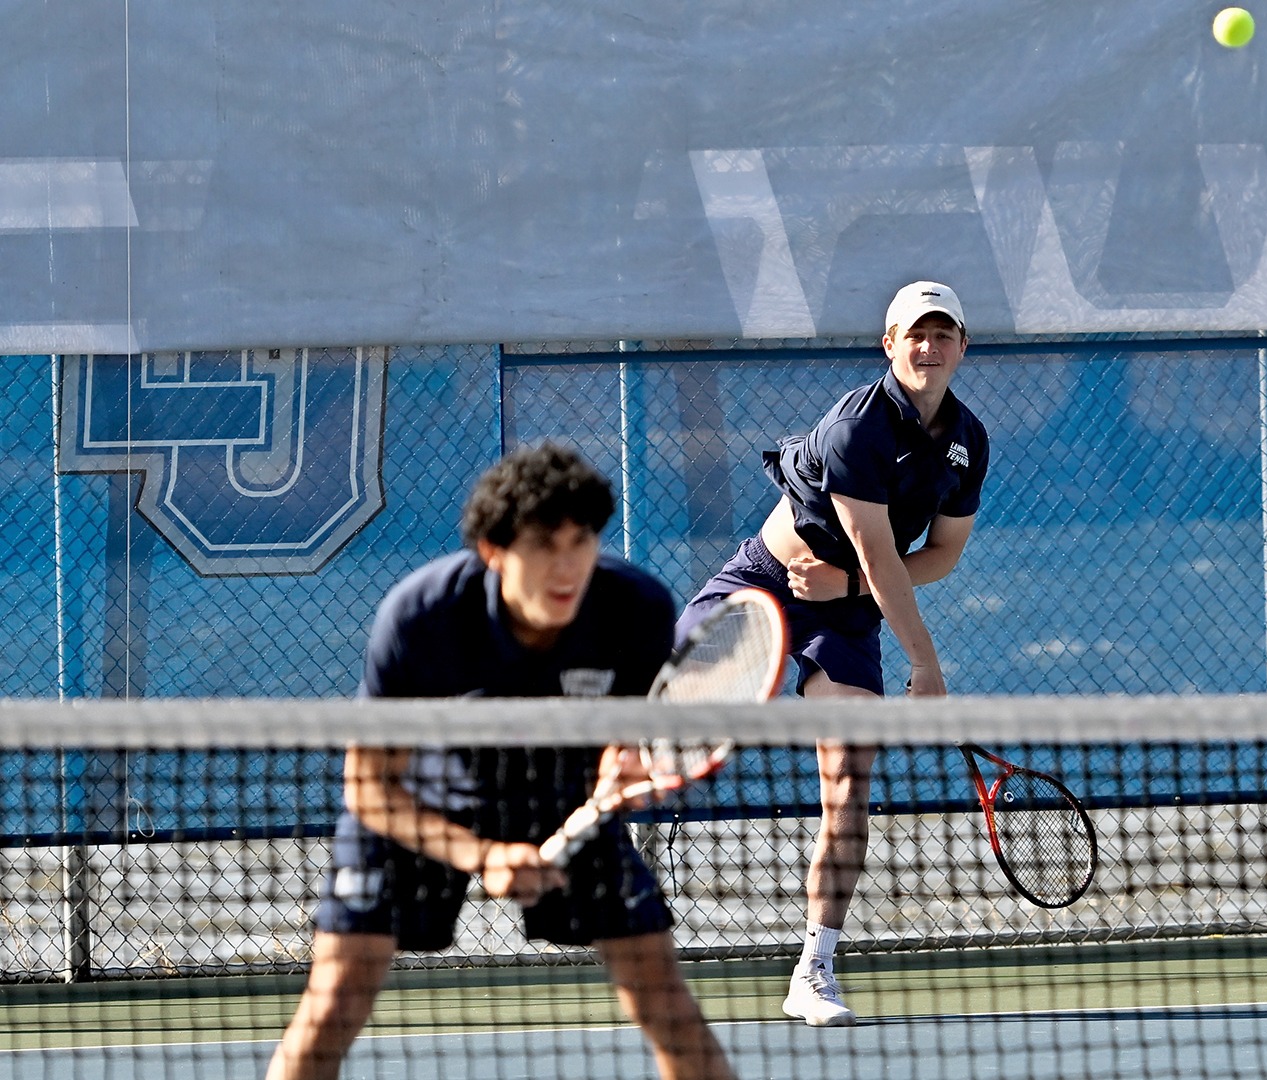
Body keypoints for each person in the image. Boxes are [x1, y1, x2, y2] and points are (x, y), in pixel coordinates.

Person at [267, 443, 734, 1080]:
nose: (567, 566)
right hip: (424, 800)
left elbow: (639, 740)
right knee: (332, 1004)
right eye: (544, 544)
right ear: (494, 550)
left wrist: (633, 765)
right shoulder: (421, 616)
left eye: (581, 541)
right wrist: (481, 855)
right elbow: (367, 786)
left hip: (565, 798)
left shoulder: (635, 607)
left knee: (666, 1003)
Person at [677, 280, 990, 1027]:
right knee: (663, 704)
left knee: (848, 783)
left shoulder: (967, 442)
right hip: (761, 581)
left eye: (943, 334)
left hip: (844, 609)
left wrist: (842, 586)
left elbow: (941, 555)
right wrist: (926, 664)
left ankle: (813, 969)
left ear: (960, 348)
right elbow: (882, 557)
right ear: (890, 344)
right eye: (915, 333)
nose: (929, 347)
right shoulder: (859, 427)